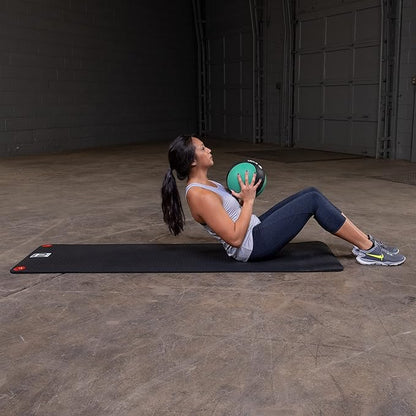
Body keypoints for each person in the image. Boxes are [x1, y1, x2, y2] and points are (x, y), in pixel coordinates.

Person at [161, 135, 406, 266]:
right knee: (312, 200)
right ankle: (370, 250)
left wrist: (239, 198)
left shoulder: (207, 184)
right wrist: (248, 201)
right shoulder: (198, 194)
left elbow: (227, 213)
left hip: (253, 230)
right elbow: (234, 238)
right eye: (203, 148)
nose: (209, 150)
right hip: (250, 247)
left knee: (310, 193)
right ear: (192, 161)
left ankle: (367, 243)